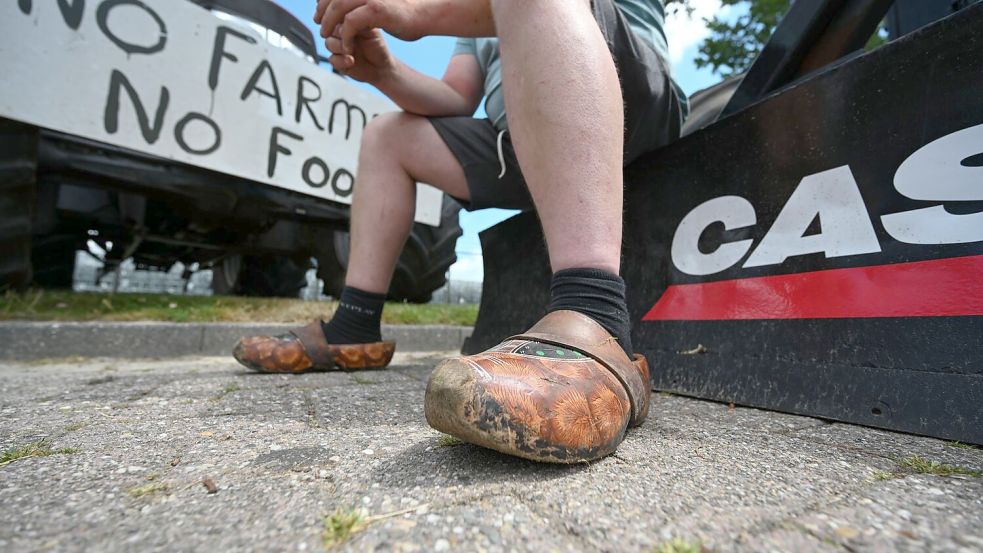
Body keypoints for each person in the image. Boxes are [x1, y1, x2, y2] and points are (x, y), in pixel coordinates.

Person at [233, 0, 687, 463]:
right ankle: (354, 325)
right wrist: (385, 71)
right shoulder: (468, 30)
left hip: (626, 89)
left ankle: (596, 316)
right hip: (518, 132)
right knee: (387, 135)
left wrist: (416, 16)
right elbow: (456, 95)